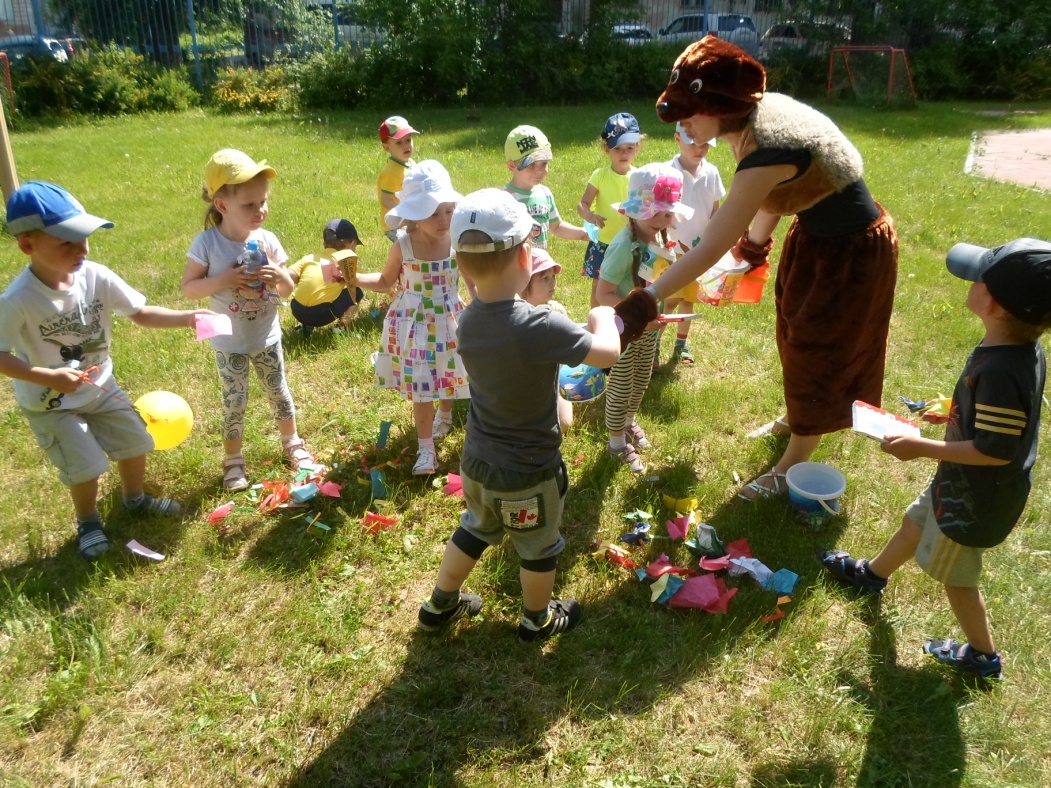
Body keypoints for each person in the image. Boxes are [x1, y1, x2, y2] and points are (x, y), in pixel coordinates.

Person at [614, 36, 898, 498]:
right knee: (792, 330)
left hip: (852, 252)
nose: (684, 126)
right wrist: (752, 248)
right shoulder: (749, 123)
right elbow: (777, 192)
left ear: (718, 105)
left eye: (689, 115)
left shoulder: (767, 142)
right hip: (815, 237)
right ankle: (796, 418)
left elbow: (710, 244)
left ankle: (791, 465)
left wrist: (644, 301)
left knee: (817, 348)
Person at [820, 238, 1050, 680]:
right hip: (960, 482)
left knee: (957, 579)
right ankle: (872, 575)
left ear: (997, 305)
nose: (972, 278)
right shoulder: (1013, 347)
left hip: (975, 498)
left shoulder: (1003, 369)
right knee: (916, 520)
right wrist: (955, 408)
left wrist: (920, 447)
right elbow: (1001, 422)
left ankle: (984, 657)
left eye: (980, 276)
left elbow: (996, 449)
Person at [416, 188, 621, 641]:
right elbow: (606, 353)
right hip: (527, 474)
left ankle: (438, 604)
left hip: (477, 463)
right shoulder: (539, 324)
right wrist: (601, 315)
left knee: (474, 528)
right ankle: (537, 619)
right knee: (537, 548)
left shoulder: (467, 320)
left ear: (463, 267)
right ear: (527, 257)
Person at [0, 182, 210, 559]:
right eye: (66, 242)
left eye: (85, 238)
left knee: (136, 441)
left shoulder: (96, 276)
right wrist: (48, 376)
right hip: (52, 403)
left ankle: (135, 499)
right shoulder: (18, 301)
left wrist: (188, 318)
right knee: (86, 465)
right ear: (28, 244)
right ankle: (88, 521)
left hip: (100, 386)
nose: (81, 249)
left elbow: (140, 313)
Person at [182, 148, 317, 492]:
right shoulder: (208, 243)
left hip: (265, 334)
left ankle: (293, 444)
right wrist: (224, 281)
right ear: (222, 205)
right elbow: (190, 289)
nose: (260, 210)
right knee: (234, 401)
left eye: (263, 202)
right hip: (227, 340)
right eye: (250, 205)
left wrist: (277, 276)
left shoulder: (267, 240)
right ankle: (233, 462)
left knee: (279, 393)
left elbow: (287, 289)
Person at [353, 160, 472, 476]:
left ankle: (444, 418)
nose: (444, 219)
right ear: (414, 216)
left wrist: (485, 305)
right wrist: (352, 279)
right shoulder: (404, 245)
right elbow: (384, 281)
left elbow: (472, 281)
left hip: (448, 317)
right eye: (433, 212)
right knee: (422, 386)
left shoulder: (457, 242)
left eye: (448, 210)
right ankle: (425, 449)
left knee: (448, 373)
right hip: (414, 323)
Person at [598, 163, 693, 474]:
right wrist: (638, 317)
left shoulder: (662, 241)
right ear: (633, 211)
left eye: (668, 213)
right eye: (654, 212)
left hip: (650, 331)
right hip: (624, 331)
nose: (662, 219)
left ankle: (628, 422)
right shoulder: (623, 246)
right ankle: (615, 443)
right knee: (621, 385)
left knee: (641, 381)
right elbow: (604, 294)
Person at [660, 121, 726, 366]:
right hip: (670, 249)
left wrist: (720, 238)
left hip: (699, 249)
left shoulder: (712, 172)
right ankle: (654, 344)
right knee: (668, 298)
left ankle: (681, 343)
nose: (700, 148)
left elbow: (715, 209)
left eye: (705, 144)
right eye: (693, 143)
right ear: (677, 139)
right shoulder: (667, 172)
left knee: (688, 298)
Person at [577, 112, 641, 308]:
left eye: (629, 148)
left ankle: (623, 322)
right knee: (599, 286)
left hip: (630, 242)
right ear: (607, 149)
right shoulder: (600, 175)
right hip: (604, 242)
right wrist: (590, 216)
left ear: (637, 148)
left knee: (628, 284)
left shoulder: (639, 177)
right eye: (617, 148)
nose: (624, 153)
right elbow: (583, 204)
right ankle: (595, 322)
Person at [503, 124, 588, 250]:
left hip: (542, 264)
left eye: (544, 163)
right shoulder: (505, 198)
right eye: (531, 164)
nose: (539, 171)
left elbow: (557, 227)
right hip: (516, 266)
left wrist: (582, 233)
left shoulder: (544, 193)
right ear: (512, 166)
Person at [519, 247, 574, 433]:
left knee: (564, 424)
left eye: (553, 277)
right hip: (520, 385)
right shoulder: (514, 315)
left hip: (551, 381)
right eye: (545, 278)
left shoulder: (556, 312)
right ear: (525, 283)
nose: (553, 284)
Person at [287, 218, 365, 334]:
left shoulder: (309, 258)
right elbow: (368, 281)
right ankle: (340, 328)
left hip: (297, 309)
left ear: (325, 243)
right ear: (352, 244)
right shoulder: (346, 263)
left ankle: (306, 327)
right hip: (322, 314)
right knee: (357, 292)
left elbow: (289, 274)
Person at [377, 115, 419, 242]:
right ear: (387, 147)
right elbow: (386, 199)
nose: (406, 146)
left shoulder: (410, 162)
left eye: (408, 140)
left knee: (417, 247)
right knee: (408, 250)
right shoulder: (392, 172)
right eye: (399, 142)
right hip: (396, 224)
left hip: (410, 217)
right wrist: (405, 214)